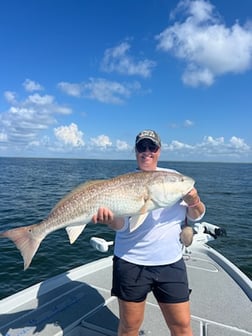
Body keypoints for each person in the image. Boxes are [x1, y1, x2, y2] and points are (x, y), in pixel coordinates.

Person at [92, 129, 205, 336]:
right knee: (129, 326)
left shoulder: (172, 179)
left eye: (151, 147)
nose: (147, 152)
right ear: (135, 151)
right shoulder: (123, 183)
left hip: (170, 263)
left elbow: (197, 215)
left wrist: (194, 201)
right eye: (141, 147)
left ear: (159, 150)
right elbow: (124, 227)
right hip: (130, 263)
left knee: (182, 326)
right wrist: (110, 221)